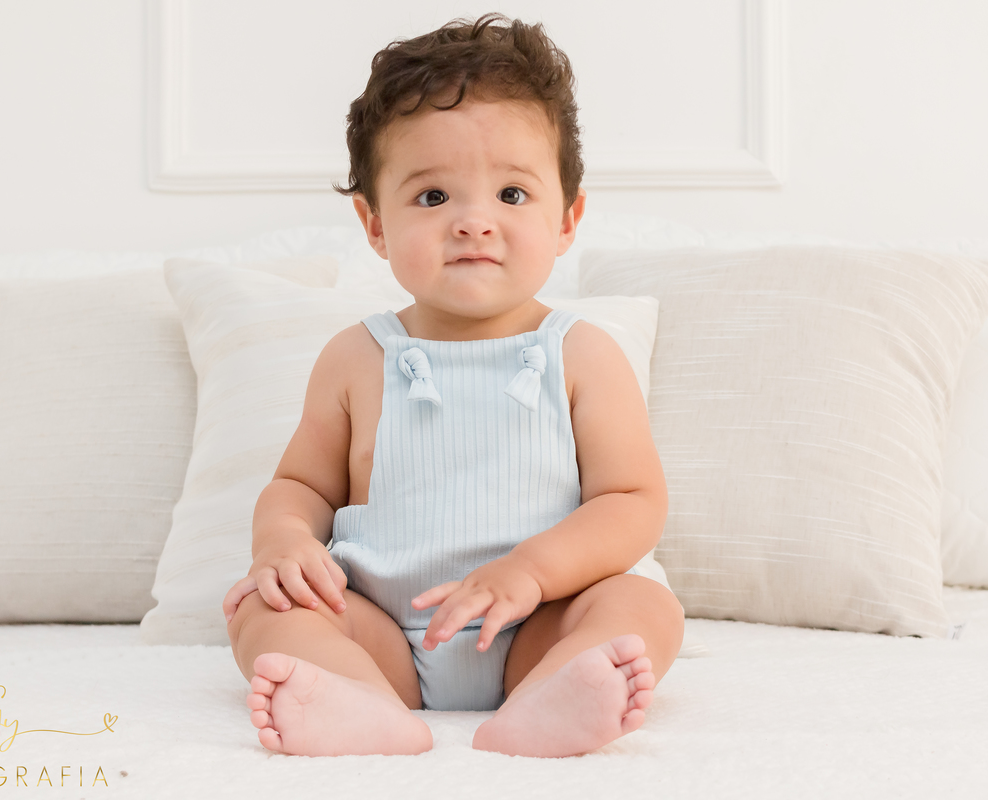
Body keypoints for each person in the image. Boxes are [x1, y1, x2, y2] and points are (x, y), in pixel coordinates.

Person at [221, 12, 685, 758]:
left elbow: (632, 501)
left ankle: (554, 693)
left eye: (512, 195)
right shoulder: (356, 357)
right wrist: (282, 541)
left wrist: (530, 571)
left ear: (568, 219)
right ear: (375, 224)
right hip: (381, 631)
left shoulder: (581, 355)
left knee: (643, 606)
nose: (474, 223)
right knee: (260, 610)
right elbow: (301, 485)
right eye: (434, 197)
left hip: (537, 622)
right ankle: (356, 699)